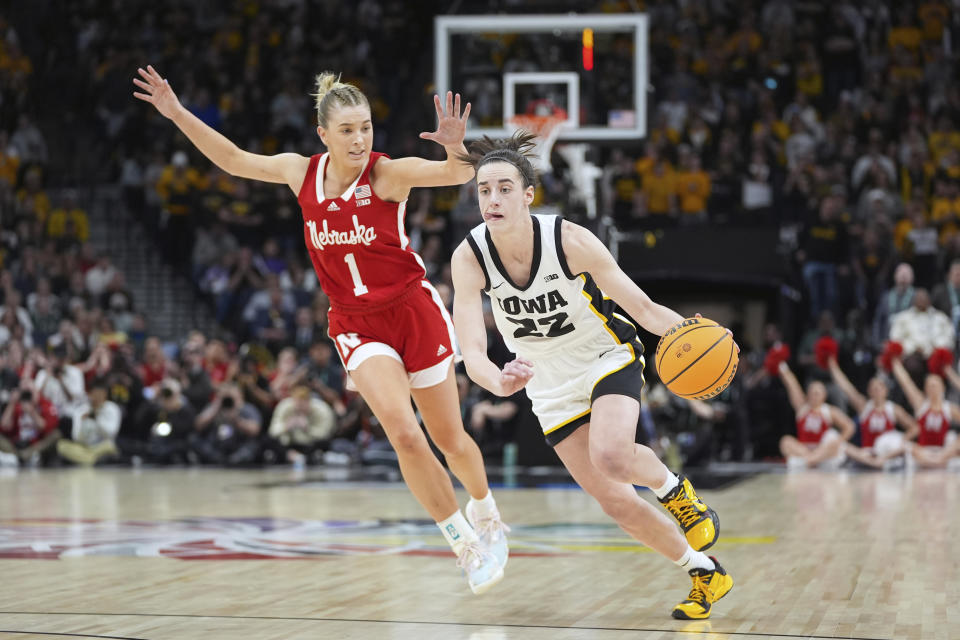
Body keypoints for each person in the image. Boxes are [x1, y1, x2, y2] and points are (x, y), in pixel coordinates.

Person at [134, 65, 508, 593]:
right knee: (403, 432)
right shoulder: (298, 172)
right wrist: (175, 113)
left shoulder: (387, 175)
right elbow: (233, 160)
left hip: (412, 311)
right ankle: (465, 545)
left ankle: (487, 510)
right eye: (349, 129)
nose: (360, 139)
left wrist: (456, 149)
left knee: (449, 438)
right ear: (323, 135)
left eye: (367, 127)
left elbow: (456, 175)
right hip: (356, 324)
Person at [450, 132, 731, 620]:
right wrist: (498, 381)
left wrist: (698, 333)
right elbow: (471, 349)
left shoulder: (569, 240)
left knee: (612, 454)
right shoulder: (469, 256)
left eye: (504, 189)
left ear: (528, 194)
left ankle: (678, 495)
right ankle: (705, 571)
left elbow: (641, 306)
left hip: (603, 355)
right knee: (617, 503)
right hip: (546, 384)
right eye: (484, 190)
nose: (492, 199)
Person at [826, 357, 918, 470]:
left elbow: (915, 428)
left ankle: (879, 461)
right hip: (867, 452)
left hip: (887, 451)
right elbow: (846, 388)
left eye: (879, 388)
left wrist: (901, 440)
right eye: (873, 389)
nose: (876, 391)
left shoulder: (893, 409)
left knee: (907, 447)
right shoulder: (864, 406)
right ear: (869, 391)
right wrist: (833, 367)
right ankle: (873, 462)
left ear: (885, 391)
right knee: (842, 446)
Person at [776, 360, 855, 469]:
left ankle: (807, 461)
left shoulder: (829, 411)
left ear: (824, 395)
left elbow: (850, 426)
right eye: (812, 393)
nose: (814, 396)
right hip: (804, 449)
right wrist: (782, 367)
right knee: (785, 441)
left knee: (833, 439)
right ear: (807, 394)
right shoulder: (802, 408)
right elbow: (792, 385)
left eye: (817, 393)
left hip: (823, 450)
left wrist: (839, 441)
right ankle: (811, 460)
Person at [891, 356, 960, 469]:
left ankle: (937, 460)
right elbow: (906, 383)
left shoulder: (949, 408)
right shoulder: (921, 405)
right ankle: (935, 461)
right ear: (926, 389)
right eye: (930, 386)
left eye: (935, 385)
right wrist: (896, 363)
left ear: (942, 388)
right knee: (909, 447)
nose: (933, 389)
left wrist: (949, 372)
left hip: (943, 451)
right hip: (923, 451)